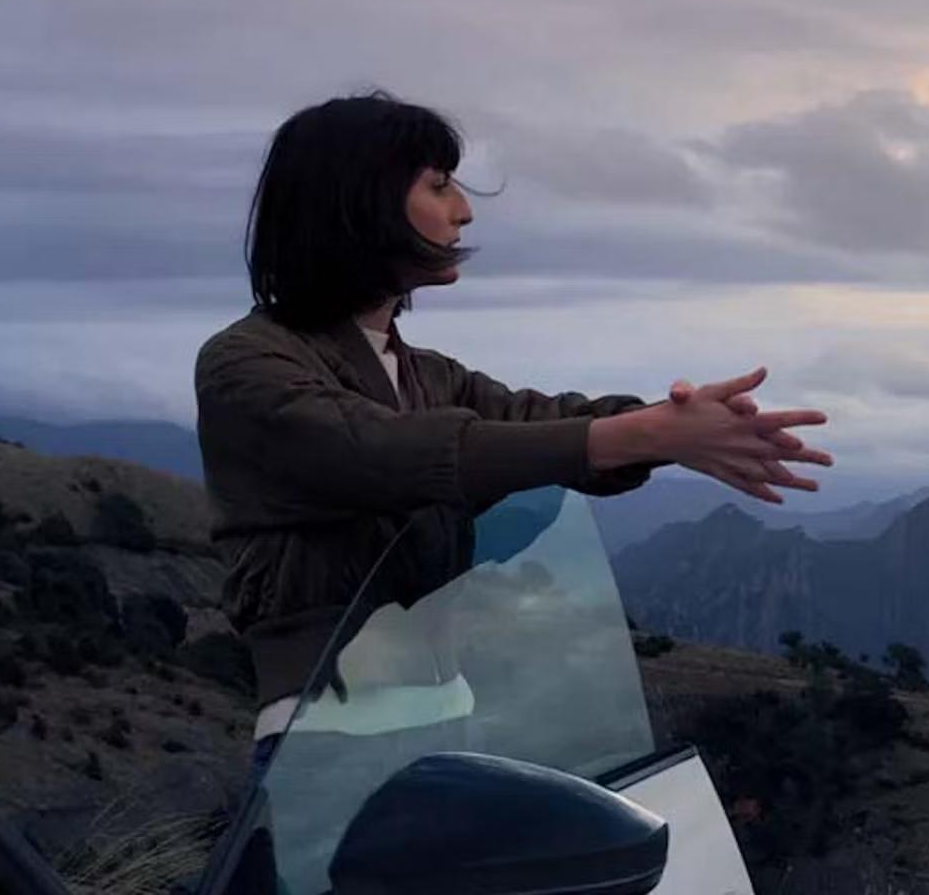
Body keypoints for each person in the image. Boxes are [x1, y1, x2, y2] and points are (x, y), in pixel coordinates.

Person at [192, 89, 831, 891]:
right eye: (438, 186)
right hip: (325, 752)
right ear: (357, 202)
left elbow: (535, 422)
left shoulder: (425, 373)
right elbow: (396, 454)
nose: (462, 211)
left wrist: (673, 424)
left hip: (445, 741)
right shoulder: (246, 366)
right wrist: (648, 435)